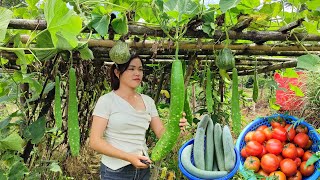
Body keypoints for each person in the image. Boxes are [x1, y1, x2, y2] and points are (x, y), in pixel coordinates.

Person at [89, 54, 187, 180]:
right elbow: (95, 142)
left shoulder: (148, 101)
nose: (138, 73)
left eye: (140, 69)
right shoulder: (107, 101)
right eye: (132, 69)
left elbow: (162, 134)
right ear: (117, 72)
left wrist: (176, 127)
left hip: (142, 169)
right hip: (115, 171)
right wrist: (129, 157)